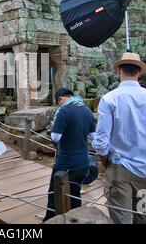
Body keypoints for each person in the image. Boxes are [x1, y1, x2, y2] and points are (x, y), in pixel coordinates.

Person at [92, 52, 146, 224]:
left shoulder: (109, 99)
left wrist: (106, 158)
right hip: (144, 172)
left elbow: (100, 141)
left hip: (119, 169)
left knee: (122, 218)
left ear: (119, 71)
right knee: (144, 217)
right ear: (139, 72)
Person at [43, 88, 95, 221]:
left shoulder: (64, 111)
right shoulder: (87, 111)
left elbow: (55, 137)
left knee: (54, 192)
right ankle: (76, 219)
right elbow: (92, 136)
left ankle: (51, 219)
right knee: (75, 191)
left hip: (65, 162)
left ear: (61, 99)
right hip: (82, 161)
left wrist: (55, 127)